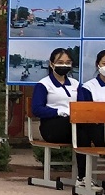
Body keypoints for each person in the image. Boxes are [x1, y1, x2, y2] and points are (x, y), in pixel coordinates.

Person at [31, 47, 86, 180]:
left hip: (74, 124)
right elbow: (37, 109)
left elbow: (83, 105)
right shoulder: (43, 85)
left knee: (87, 131)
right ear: (51, 64)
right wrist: (58, 111)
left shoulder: (75, 84)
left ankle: (84, 176)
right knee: (82, 132)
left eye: (68, 63)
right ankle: (83, 177)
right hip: (52, 127)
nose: (64, 66)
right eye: (60, 62)